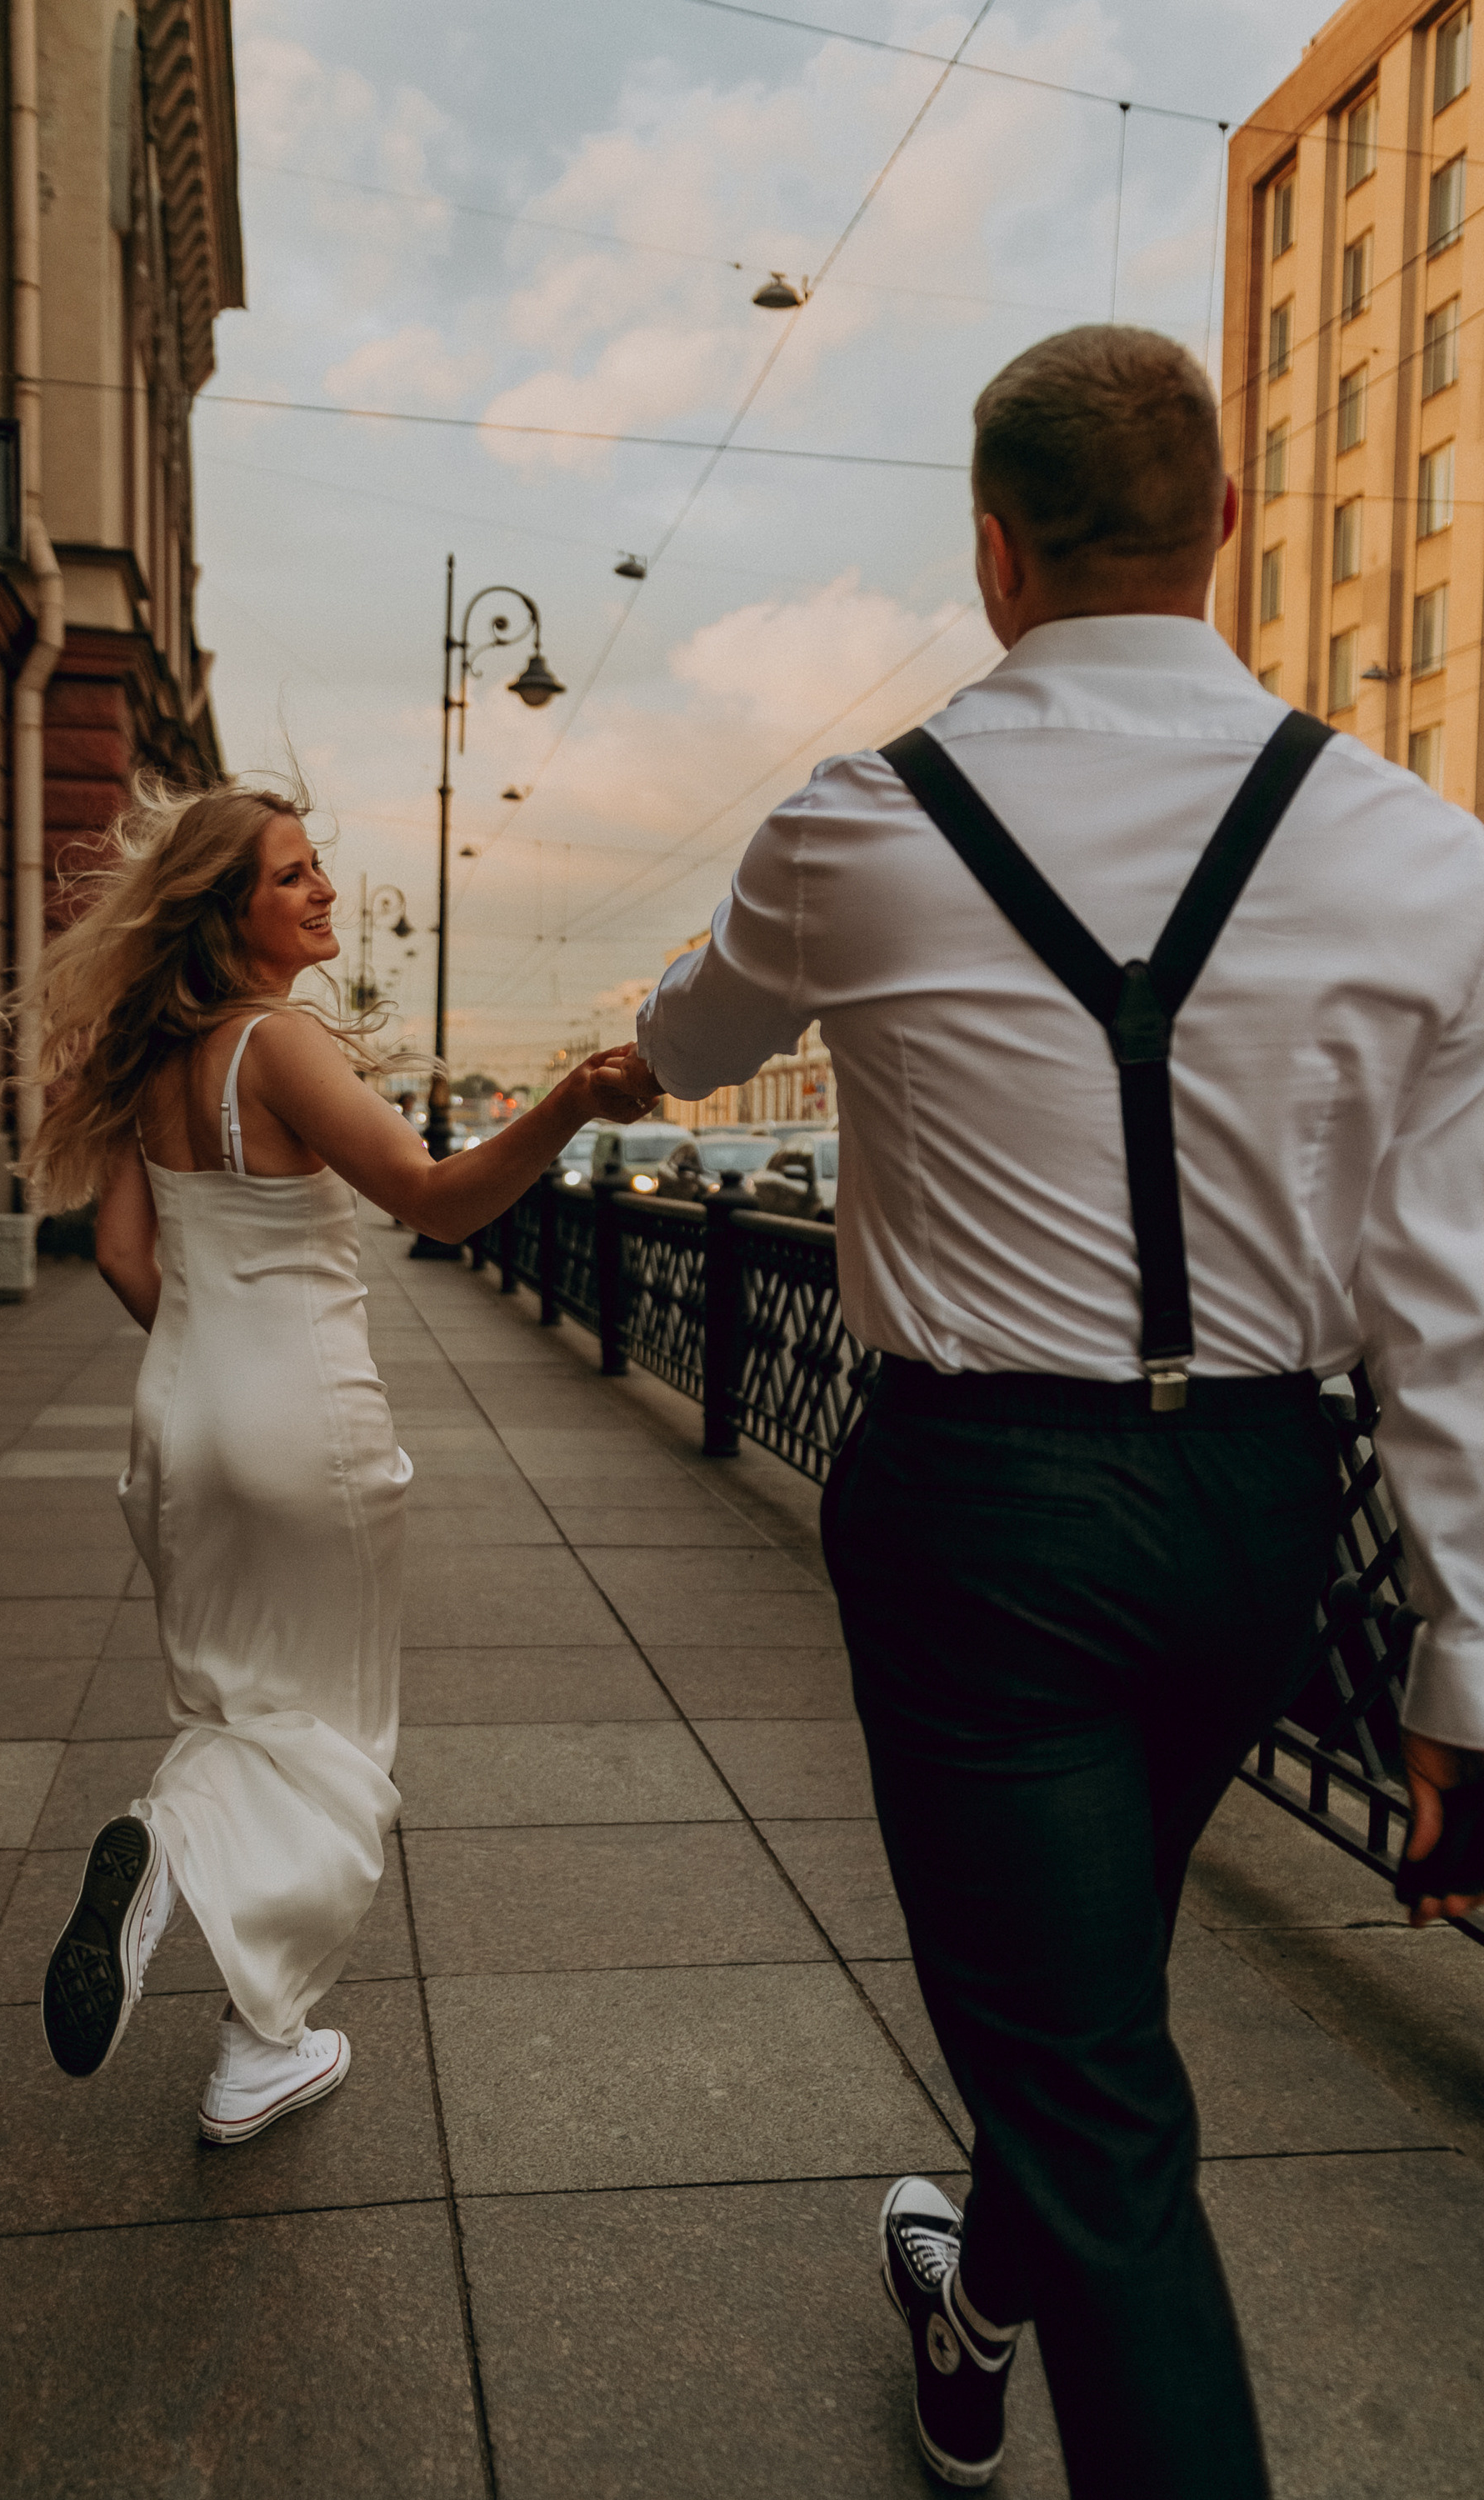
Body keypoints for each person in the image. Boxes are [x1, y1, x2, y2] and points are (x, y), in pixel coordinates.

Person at [636, 325, 1484, 2496]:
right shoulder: (1421, 855)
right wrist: (1465, 1662)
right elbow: (1448, 1301)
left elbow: (692, 1045)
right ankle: (970, 2303)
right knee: (1078, 2015)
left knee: (1095, 2103)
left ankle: (1012, 2297)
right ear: (1223, 527)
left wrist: (651, 1031)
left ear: (994, 552)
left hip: (980, 1527)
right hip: (1261, 1521)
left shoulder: (855, 826)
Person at [22, 772, 657, 2142]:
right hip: (301, 1427)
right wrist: (566, 1107)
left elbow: (128, 1259)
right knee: (334, 1733)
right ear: (230, 912)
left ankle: (253, 2012)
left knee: (240, 1703)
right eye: (293, 874)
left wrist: (210, 1367)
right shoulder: (277, 1043)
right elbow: (437, 1198)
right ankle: (198, 1895)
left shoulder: (152, 1063)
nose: (321, 892)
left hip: (180, 1419)